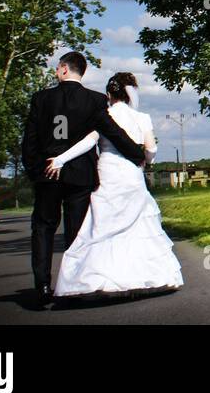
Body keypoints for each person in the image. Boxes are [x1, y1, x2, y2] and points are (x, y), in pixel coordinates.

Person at [21, 52, 146, 306]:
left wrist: (36, 172)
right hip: (80, 175)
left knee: (43, 228)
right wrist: (137, 153)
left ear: (65, 69)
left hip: (48, 174)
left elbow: (30, 142)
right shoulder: (95, 100)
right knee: (76, 230)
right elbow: (113, 132)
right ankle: (74, 283)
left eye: (57, 68)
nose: (56, 71)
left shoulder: (41, 99)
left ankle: (43, 285)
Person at [47, 72, 183, 299]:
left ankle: (103, 279)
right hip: (132, 176)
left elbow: (87, 143)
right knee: (137, 225)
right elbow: (151, 150)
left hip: (108, 172)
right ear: (131, 94)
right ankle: (144, 277)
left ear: (109, 94)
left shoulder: (104, 115)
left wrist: (60, 160)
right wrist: (147, 160)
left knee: (103, 225)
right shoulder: (142, 118)